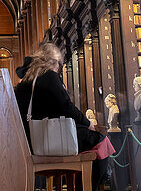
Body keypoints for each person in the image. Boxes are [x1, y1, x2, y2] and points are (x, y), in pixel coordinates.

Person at [14, 43, 112, 188]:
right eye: (60, 65)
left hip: (30, 142)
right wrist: (87, 123)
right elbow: (66, 107)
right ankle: (88, 187)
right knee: (101, 141)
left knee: (88, 140)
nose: (59, 70)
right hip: (51, 140)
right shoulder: (49, 76)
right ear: (53, 61)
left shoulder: (24, 82)